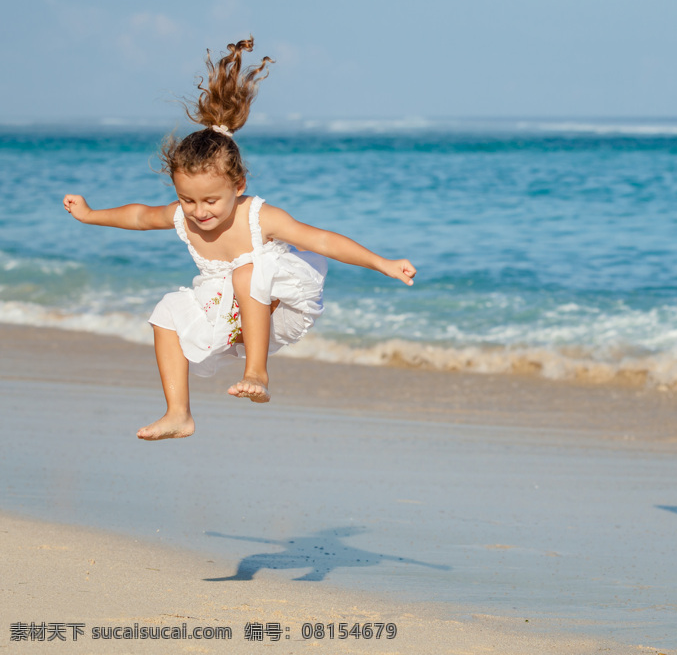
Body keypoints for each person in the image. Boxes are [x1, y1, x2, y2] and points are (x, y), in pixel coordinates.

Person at [63, 38, 417, 440]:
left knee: (247, 272)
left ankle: (257, 371)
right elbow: (140, 216)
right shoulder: (185, 216)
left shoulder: (258, 216)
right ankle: (178, 413)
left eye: (211, 199)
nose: (200, 211)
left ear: (239, 184)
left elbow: (322, 241)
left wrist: (383, 263)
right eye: (187, 199)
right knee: (166, 312)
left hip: (282, 297)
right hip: (232, 307)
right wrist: (90, 215)